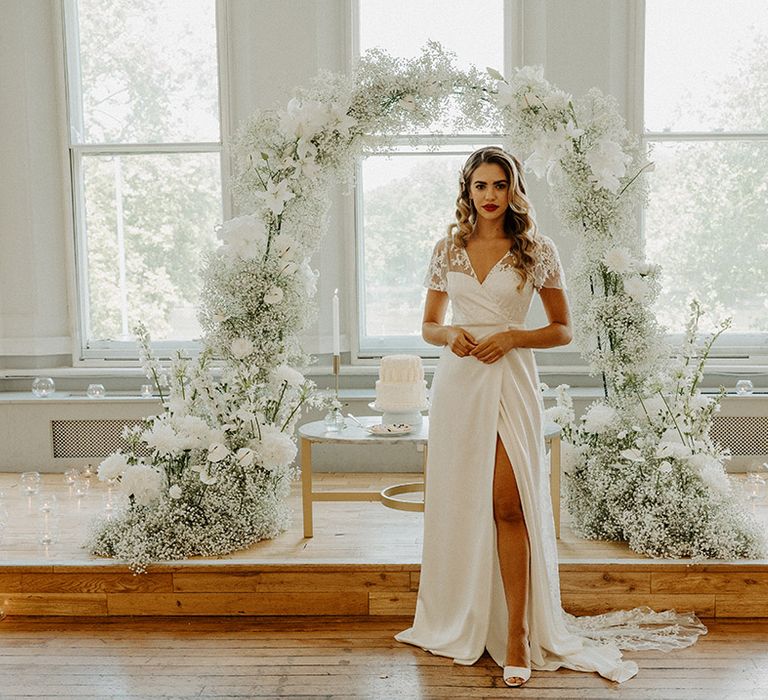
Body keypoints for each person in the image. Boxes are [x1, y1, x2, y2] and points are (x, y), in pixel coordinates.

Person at [394, 146, 703, 686]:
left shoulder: (536, 249)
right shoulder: (449, 249)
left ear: (514, 189)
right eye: (480, 186)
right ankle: (464, 616)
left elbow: (563, 328)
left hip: (511, 380)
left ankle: (517, 631)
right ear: (467, 191)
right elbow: (428, 324)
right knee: (466, 504)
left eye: (499, 185)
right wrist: (451, 335)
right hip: (460, 384)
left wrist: (513, 336)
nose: (489, 196)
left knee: (509, 504)